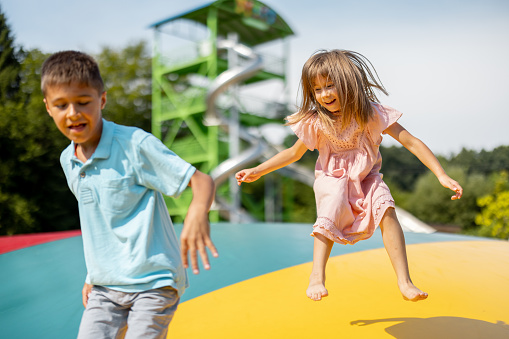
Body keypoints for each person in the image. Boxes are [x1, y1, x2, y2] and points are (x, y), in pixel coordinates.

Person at [235, 49, 463, 302]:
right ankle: (316, 277)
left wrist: (441, 174)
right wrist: (258, 169)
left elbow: (411, 142)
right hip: (332, 178)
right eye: (317, 90)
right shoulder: (317, 121)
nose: (324, 94)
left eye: (330, 86)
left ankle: (405, 281)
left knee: (386, 209)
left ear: (348, 83)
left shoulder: (371, 114)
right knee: (329, 211)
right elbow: (292, 153)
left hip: (367, 177)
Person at [42, 50, 218, 338]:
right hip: (105, 287)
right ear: (48, 107)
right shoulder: (68, 160)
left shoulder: (134, 145)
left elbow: (201, 181)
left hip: (154, 282)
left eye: (83, 102)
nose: (73, 113)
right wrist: (92, 274)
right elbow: (98, 220)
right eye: (61, 105)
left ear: (102, 99)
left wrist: (197, 214)